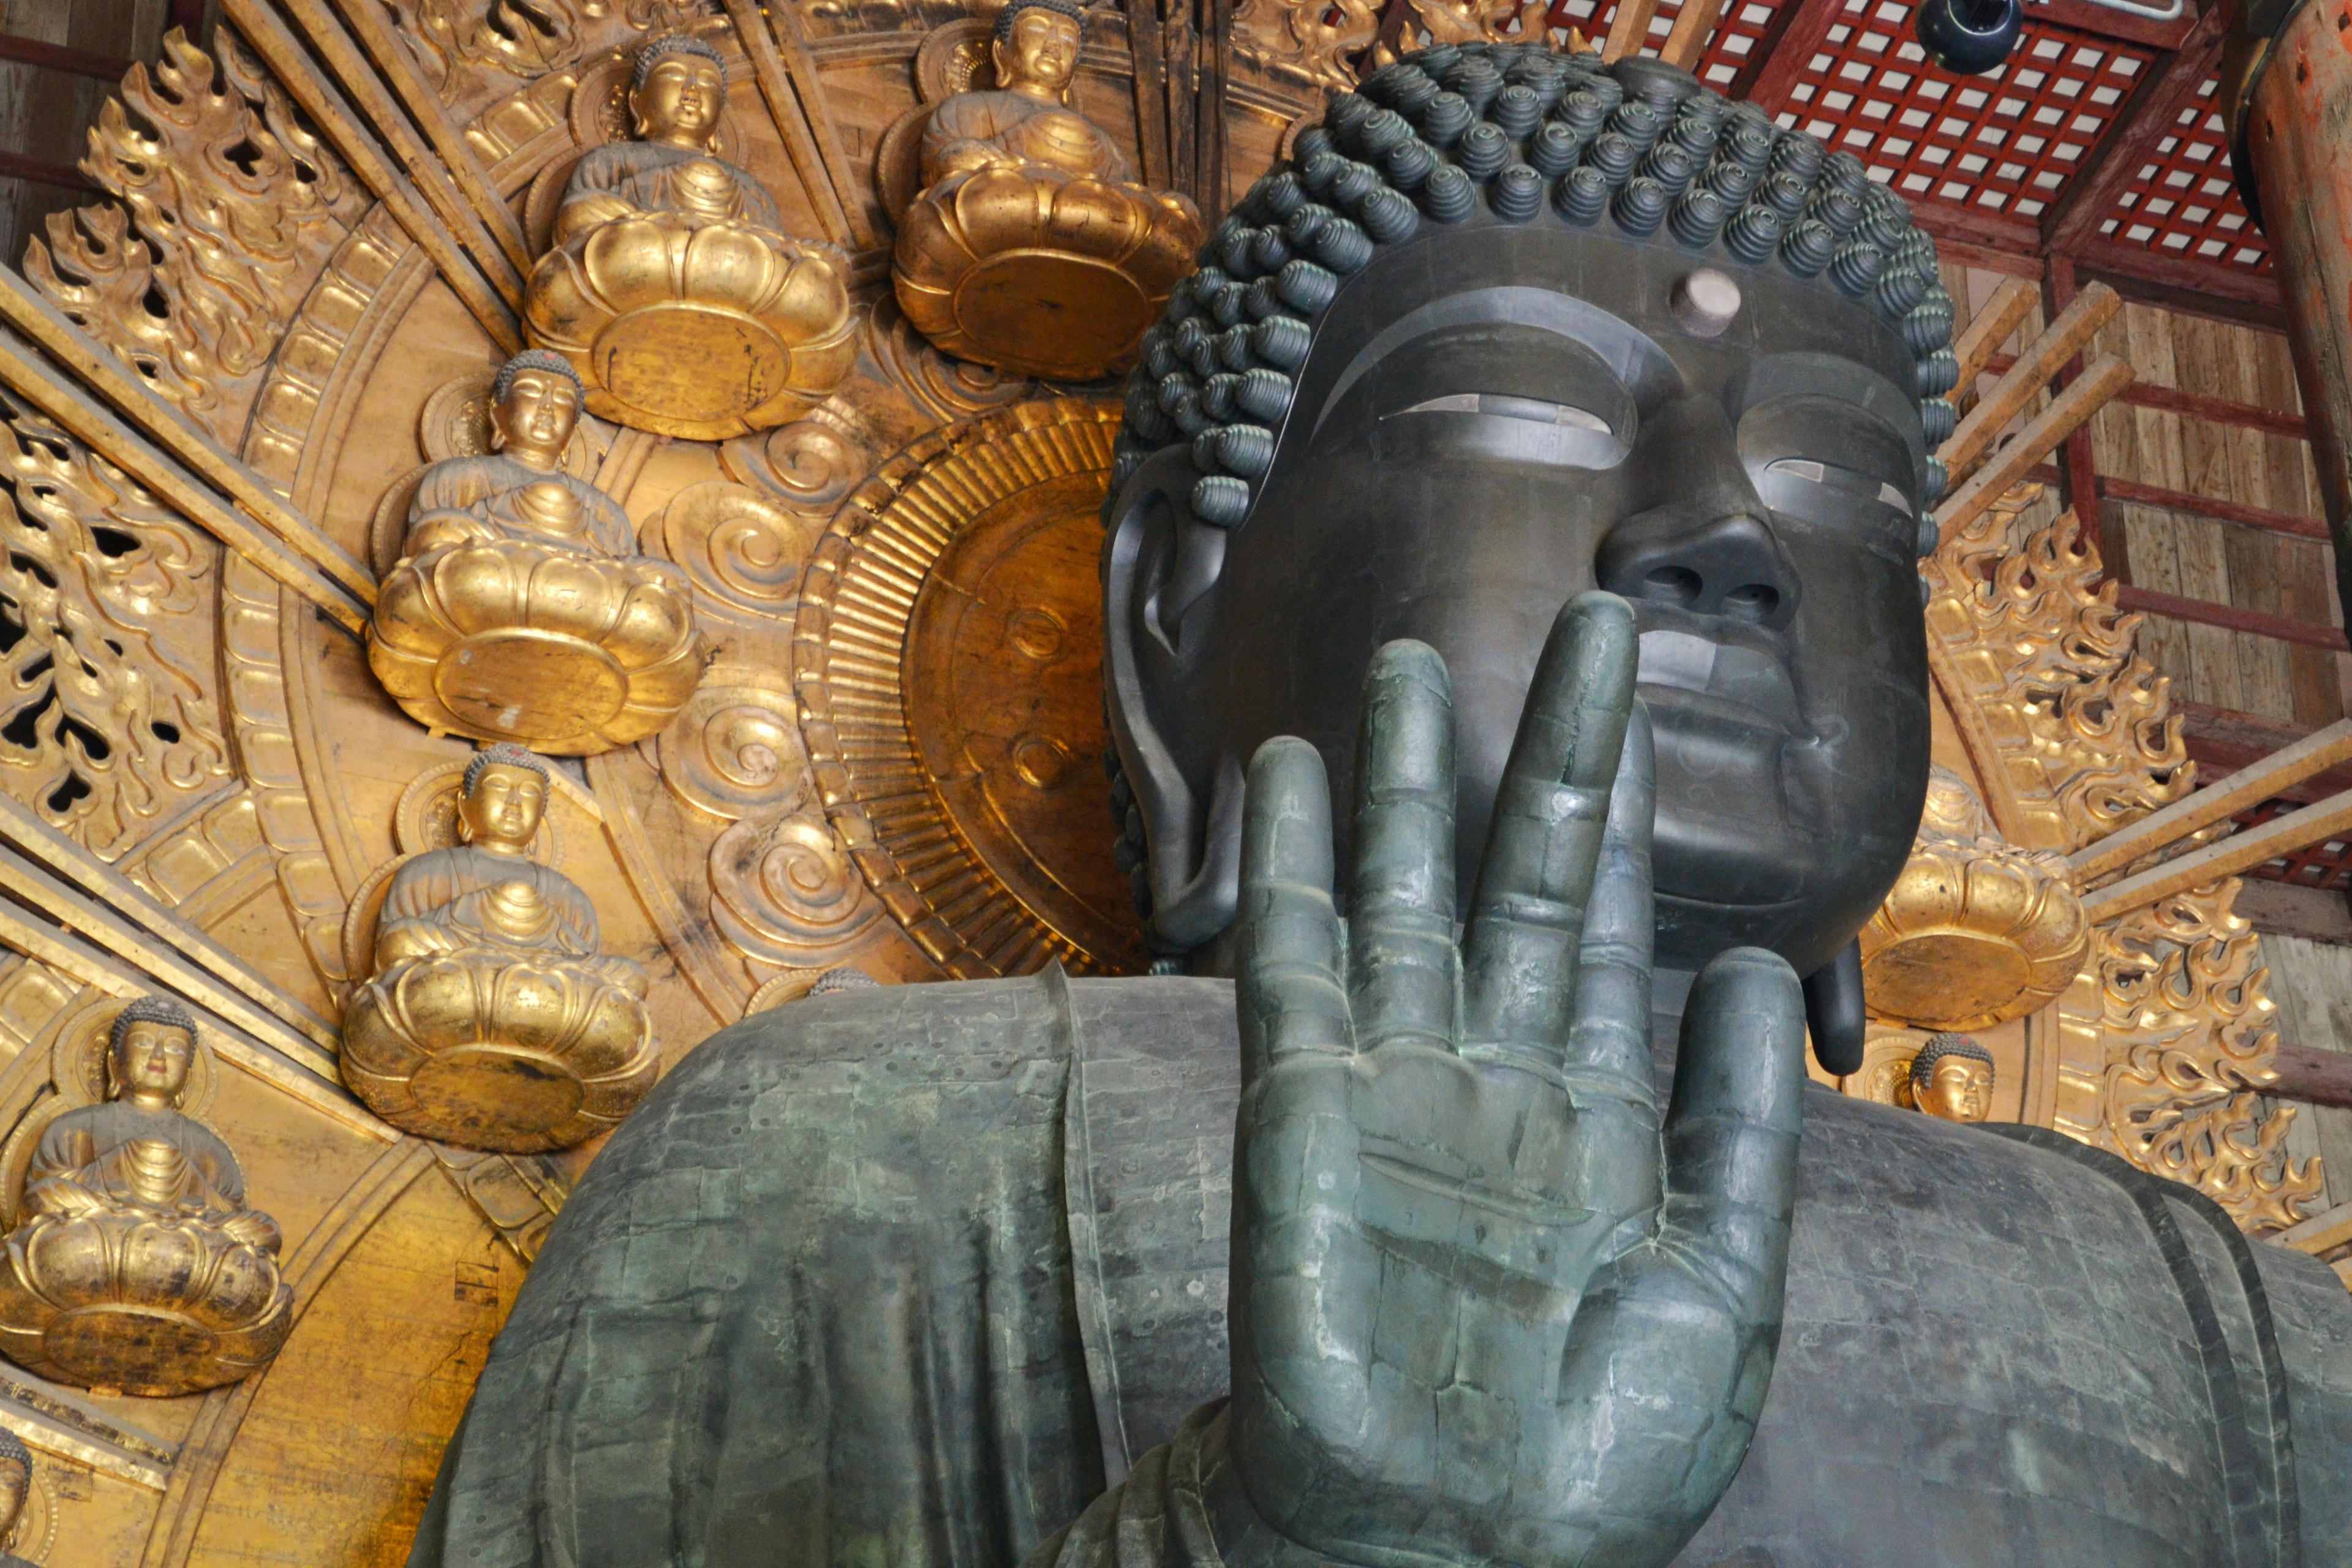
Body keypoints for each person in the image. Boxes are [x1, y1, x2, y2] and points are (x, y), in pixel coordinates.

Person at [412, 44, 2352, 1568]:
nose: (1721, 543)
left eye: (1836, 490)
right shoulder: (850, 1157)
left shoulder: (2236, 1337)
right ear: (1180, 608)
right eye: (1515, 411)